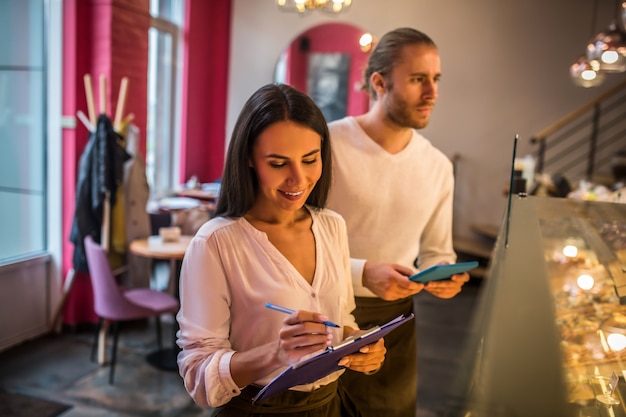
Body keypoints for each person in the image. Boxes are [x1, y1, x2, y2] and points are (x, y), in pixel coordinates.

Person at [176, 83, 386, 417]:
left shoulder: (332, 226)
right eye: (278, 163)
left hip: (331, 406)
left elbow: (342, 320)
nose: (298, 179)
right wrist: (274, 353)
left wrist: (358, 343)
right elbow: (199, 377)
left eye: (310, 159)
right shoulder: (215, 243)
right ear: (248, 158)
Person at [326, 28, 470, 417]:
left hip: (396, 322)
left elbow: (439, 251)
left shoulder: (438, 166)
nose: (432, 93)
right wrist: (361, 273)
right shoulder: (327, 146)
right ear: (379, 82)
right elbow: (294, 240)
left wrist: (443, 274)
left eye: (436, 79)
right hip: (324, 313)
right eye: (418, 79)